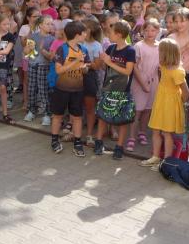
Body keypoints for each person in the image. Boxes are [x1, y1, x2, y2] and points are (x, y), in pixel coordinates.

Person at [140, 38, 188, 169]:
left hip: (171, 104)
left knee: (167, 133)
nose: (158, 52)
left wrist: (182, 104)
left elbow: (185, 91)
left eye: (160, 50)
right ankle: (155, 157)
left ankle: (166, 161)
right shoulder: (163, 66)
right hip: (161, 101)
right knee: (156, 130)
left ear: (166, 53)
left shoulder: (178, 71)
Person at [92, 20, 136, 159]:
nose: (108, 34)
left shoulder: (130, 51)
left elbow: (128, 71)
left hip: (123, 91)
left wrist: (109, 62)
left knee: (122, 119)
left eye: (111, 32)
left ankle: (119, 147)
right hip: (108, 88)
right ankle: (99, 142)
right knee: (102, 116)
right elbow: (104, 67)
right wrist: (101, 61)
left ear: (119, 34)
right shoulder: (111, 48)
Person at [49, 21, 91, 155]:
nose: (86, 35)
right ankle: (54, 140)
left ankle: (77, 142)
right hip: (61, 89)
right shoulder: (62, 49)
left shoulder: (84, 49)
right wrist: (75, 61)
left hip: (77, 90)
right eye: (84, 33)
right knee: (58, 115)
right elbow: (58, 70)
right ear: (77, 35)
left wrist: (84, 68)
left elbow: (86, 68)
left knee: (77, 117)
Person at [128, 19, 161, 151]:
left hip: (154, 82)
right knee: (137, 110)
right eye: (147, 30)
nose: (150, 33)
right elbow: (134, 67)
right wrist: (142, 84)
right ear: (143, 31)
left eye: (153, 30)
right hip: (139, 82)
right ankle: (131, 137)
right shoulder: (139, 46)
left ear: (158, 31)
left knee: (148, 110)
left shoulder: (160, 46)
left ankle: (142, 132)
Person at [25, 15, 55, 126]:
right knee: (32, 88)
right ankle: (32, 110)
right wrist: (29, 49)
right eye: (48, 24)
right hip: (33, 65)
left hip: (44, 66)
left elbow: (51, 57)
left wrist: (42, 50)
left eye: (51, 24)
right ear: (41, 25)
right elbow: (28, 53)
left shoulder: (52, 39)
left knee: (43, 90)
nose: (50, 26)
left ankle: (47, 113)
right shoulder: (33, 36)